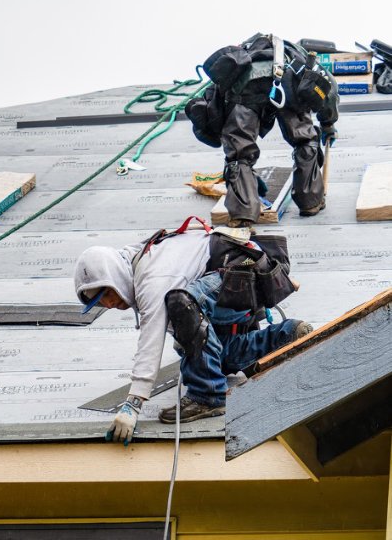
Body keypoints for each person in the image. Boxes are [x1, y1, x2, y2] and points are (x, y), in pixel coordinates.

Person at [73, 219, 313, 445]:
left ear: (114, 276)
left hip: (243, 276)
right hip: (237, 283)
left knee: (180, 304)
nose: (108, 304)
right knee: (217, 358)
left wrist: (133, 404)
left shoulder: (151, 277)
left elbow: (151, 339)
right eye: (99, 303)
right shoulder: (134, 262)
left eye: (107, 294)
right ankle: (286, 336)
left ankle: (207, 395)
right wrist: (190, 344)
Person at [186, 33, 340, 227]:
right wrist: (328, 124)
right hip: (287, 84)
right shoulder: (298, 59)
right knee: (304, 140)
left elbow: (218, 116)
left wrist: (242, 175)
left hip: (246, 91)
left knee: (239, 153)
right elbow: (329, 89)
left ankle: (243, 214)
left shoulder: (236, 63)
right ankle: (310, 201)